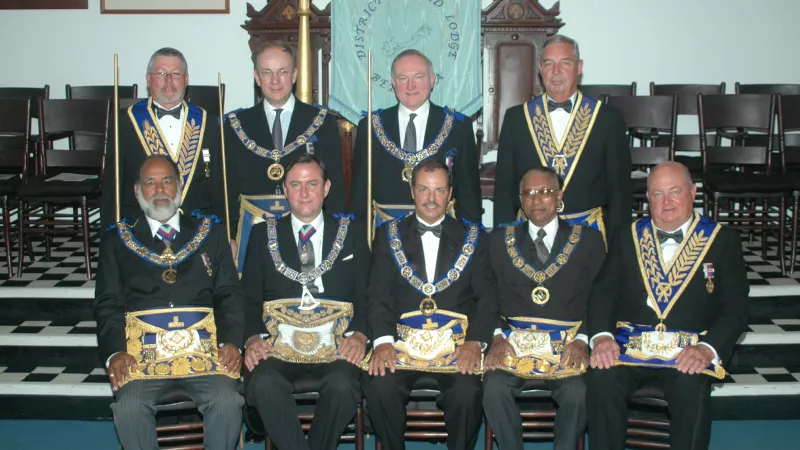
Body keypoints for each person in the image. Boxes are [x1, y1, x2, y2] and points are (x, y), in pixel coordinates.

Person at [586, 161, 750, 450]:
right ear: (648, 198)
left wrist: (706, 349)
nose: (667, 202)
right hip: (630, 349)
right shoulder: (628, 235)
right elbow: (603, 293)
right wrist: (602, 337)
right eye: (658, 194)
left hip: (687, 351)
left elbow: (735, 310)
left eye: (675, 192)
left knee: (691, 384)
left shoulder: (722, 241)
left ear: (693, 192)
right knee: (602, 377)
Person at [94, 155, 245, 450]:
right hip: (142, 357)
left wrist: (232, 342)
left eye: (167, 180)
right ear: (138, 193)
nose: (159, 188)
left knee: (227, 399)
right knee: (129, 406)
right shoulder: (116, 241)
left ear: (179, 189)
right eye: (150, 182)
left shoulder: (211, 233)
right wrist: (115, 353)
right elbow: (108, 303)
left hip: (206, 354)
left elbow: (229, 293)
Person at [363, 159, 497, 450]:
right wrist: (383, 341)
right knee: (379, 385)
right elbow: (378, 294)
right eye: (424, 189)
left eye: (439, 190)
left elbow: (488, 298)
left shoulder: (475, 238)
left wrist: (476, 342)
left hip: (455, 347)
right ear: (412, 191)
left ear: (450, 194)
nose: (431, 198)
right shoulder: (388, 236)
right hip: (403, 344)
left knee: (467, 392)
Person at [239, 154, 369, 450]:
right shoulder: (262, 234)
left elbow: (366, 294)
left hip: (338, 343)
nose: (304, 192)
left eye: (312, 184)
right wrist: (250, 338)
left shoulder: (352, 233)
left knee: (343, 385)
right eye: (295, 185)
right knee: (264, 382)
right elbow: (248, 297)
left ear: (327, 188)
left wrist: (361, 335)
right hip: (278, 344)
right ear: (284, 190)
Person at [483, 166, 606, 450]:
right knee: (494, 387)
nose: (537, 199)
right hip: (513, 346)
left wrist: (583, 339)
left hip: (567, 345)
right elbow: (485, 297)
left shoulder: (588, 240)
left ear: (560, 196)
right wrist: (496, 337)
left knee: (578, 392)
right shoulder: (498, 241)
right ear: (520, 200)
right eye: (529, 193)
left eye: (545, 192)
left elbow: (601, 297)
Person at [492, 34, 630, 243]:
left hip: (588, 237)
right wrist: (502, 242)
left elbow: (619, 191)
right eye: (549, 64)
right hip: (530, 236)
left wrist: (620, 247)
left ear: (579, 67)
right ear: (540, 68)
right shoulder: (517, 118)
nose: (556, 72)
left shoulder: (608, 118)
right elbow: (504, 189)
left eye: (564, 63)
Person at [225, 41, 345, 271]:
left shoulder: (322, 121)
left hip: (307, 225)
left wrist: (335, 234)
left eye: (282, 72)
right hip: (252, 229)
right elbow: (227, 189)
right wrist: (227, 236)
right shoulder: (236, 125)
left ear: (294, 75)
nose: (275, 80)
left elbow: (335, 186)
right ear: (256, 77)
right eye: (267, 73)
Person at [350, 49, 482, 227]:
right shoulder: (370, 126)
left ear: (432, 80)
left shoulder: (458, 127)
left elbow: (469, 194)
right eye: (403, 78)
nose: (410, 86)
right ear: (393, 82)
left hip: (443, 236)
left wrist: (472, 241)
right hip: (384, 237)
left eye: (418, 77)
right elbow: (360, 195)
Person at [101, 47, 224, 229]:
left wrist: (225, 233)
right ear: (148, 79)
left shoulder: (209, 122)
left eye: (175, 74)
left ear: (186, 79)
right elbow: (113, 186)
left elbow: (219, 185)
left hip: (197, 225)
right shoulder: (124, 121)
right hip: (140, 225)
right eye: (161, 74)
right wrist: (109, 241)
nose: (168, 80)